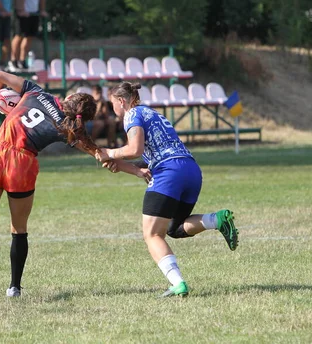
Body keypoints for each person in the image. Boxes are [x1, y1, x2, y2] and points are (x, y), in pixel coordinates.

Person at [95, 81, 239, 297]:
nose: (112, 107)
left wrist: (111, 152)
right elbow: (151, 152)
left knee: (152, 234)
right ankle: (217, 220)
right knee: (174, 228)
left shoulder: (131, 115)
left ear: (121, 101)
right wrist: (130, 168)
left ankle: (177, 283)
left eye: (112, 103)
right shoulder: (151, 113)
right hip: (190, 170)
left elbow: (135, 149)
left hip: (169, 172)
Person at [0, 71, 99, 298]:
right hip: (22, 164)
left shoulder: (36, 92)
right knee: (19, 229)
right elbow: (100, 154)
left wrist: (2, 102)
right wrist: (135, 166)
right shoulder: (67, 127)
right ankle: (14, 287)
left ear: (69, 97)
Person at [10, 0, 47, 71]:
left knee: (29, 36)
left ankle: (22, 60)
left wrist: (42, 9)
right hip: (23, 12)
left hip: (34, 12)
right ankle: (13, 60)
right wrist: (21, 9)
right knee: (19, 35)